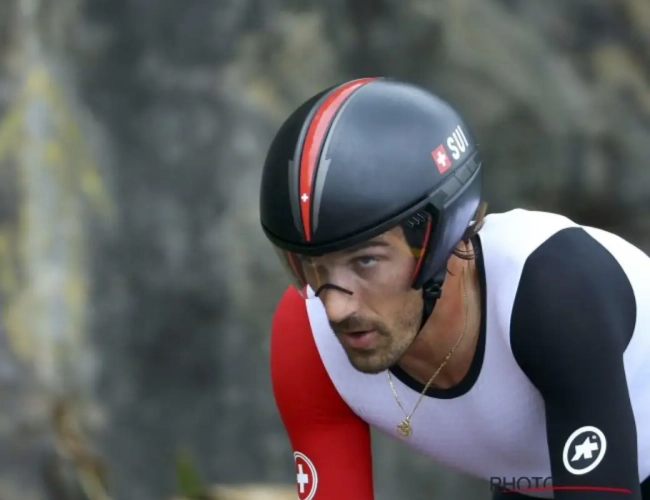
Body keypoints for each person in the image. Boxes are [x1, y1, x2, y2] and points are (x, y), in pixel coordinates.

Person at [259, 77, 650, 499]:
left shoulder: (554, 289)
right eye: (312, 267)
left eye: (366, 261)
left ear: (441, 237)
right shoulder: (306, 331)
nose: (334, 308)